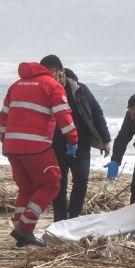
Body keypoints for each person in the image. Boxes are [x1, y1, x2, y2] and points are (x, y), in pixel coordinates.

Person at [0, 55, 78, 247]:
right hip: (36, 146)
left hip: (12, 146)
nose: (61, 78)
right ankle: (26, 227)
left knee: (27, 188)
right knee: (52, 183)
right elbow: (63, 116)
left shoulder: (16, 85)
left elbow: (3, 116)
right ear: (55, 71)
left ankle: (19, 225)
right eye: (60, 74)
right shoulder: (52, 85)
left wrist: (5, 140)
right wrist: (73, 139)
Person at [51, 67, 111, 221]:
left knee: (82, 179)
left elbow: (97, 112)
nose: (58, 79)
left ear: (63, 73)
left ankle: (75, 218)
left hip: (81, 142)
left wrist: (105, 139)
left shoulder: (80, 90)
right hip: (56, 144)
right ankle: (60, 220)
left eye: (60, 75)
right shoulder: (48, 91)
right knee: (58, 183)